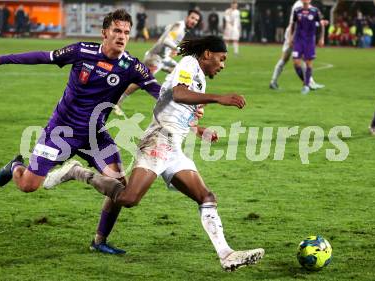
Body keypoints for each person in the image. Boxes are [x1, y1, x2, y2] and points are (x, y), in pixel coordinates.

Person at [44, 36, 265, 271]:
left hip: (174, 147)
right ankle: (77, 172)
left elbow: (175, 107)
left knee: (206, 197)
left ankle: (226, 255)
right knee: (129, 199)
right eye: (221, 59)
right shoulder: (189, 64)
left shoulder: (199, 77)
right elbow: (179, 94)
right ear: (207, 54)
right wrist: (219, 99)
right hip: (158, 141)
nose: (223, 65)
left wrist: (198, 129)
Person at [0, 9, 162, 254]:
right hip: (60, 132)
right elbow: (43, 56)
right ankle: (15, 167)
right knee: (29, 186)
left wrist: (191, 111)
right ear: (104, 32)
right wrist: (2, 59)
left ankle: (99, 240)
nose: (122, 36)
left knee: (120, 189)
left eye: (126, 32)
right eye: (117, 30)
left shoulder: (131, 67)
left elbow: (159, 92)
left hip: (95, 136)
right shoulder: (82, 52)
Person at [112, 9, 201, 116]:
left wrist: (172, 50)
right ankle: (116, 101)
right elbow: (166, 41)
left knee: (180, 73)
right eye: (192, 18)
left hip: (163, 59)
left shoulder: (180, 27)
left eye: (196, 20)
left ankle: (175, 103)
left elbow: (168, 32)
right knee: (140, 82)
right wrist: (178, 49)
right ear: (187, 17)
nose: (194, 21)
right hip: (155, 58)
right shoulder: (179, 26)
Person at [269, 0, 326, 90]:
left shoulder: (304, 5)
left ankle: (273, 81)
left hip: (297, 34)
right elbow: (295, 23)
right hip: (296, 35)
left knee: (286, 58)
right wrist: (292, 37)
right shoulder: (299, 5)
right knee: (299, 59)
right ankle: (310, 83)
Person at [289, 0, 325, 94]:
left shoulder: (315, 11)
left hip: (309, 41)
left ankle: (306, 85)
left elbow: (321, 25)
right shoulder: (297, 10)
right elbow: (293, 24)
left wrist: (321, 38)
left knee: (308, 63)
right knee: (296, 62)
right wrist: (290, 37)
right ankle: (306, 82)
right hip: (298, 40)